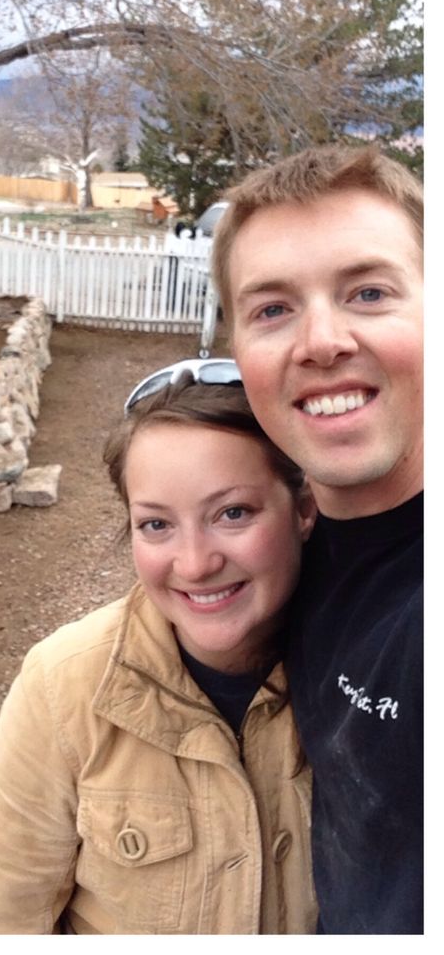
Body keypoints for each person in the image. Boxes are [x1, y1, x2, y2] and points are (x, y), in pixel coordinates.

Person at [0, 362, 318, 934]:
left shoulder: (369, 675)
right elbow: (6, 925)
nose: (196, 563)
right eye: (156, 525)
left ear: (304, 509)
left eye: (233, 513)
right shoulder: (61, 686)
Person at [210, 144, 423, 934]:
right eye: (272, 309)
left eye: (368, 292)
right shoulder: (296, 547)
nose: (321, 340)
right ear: (236, 352)